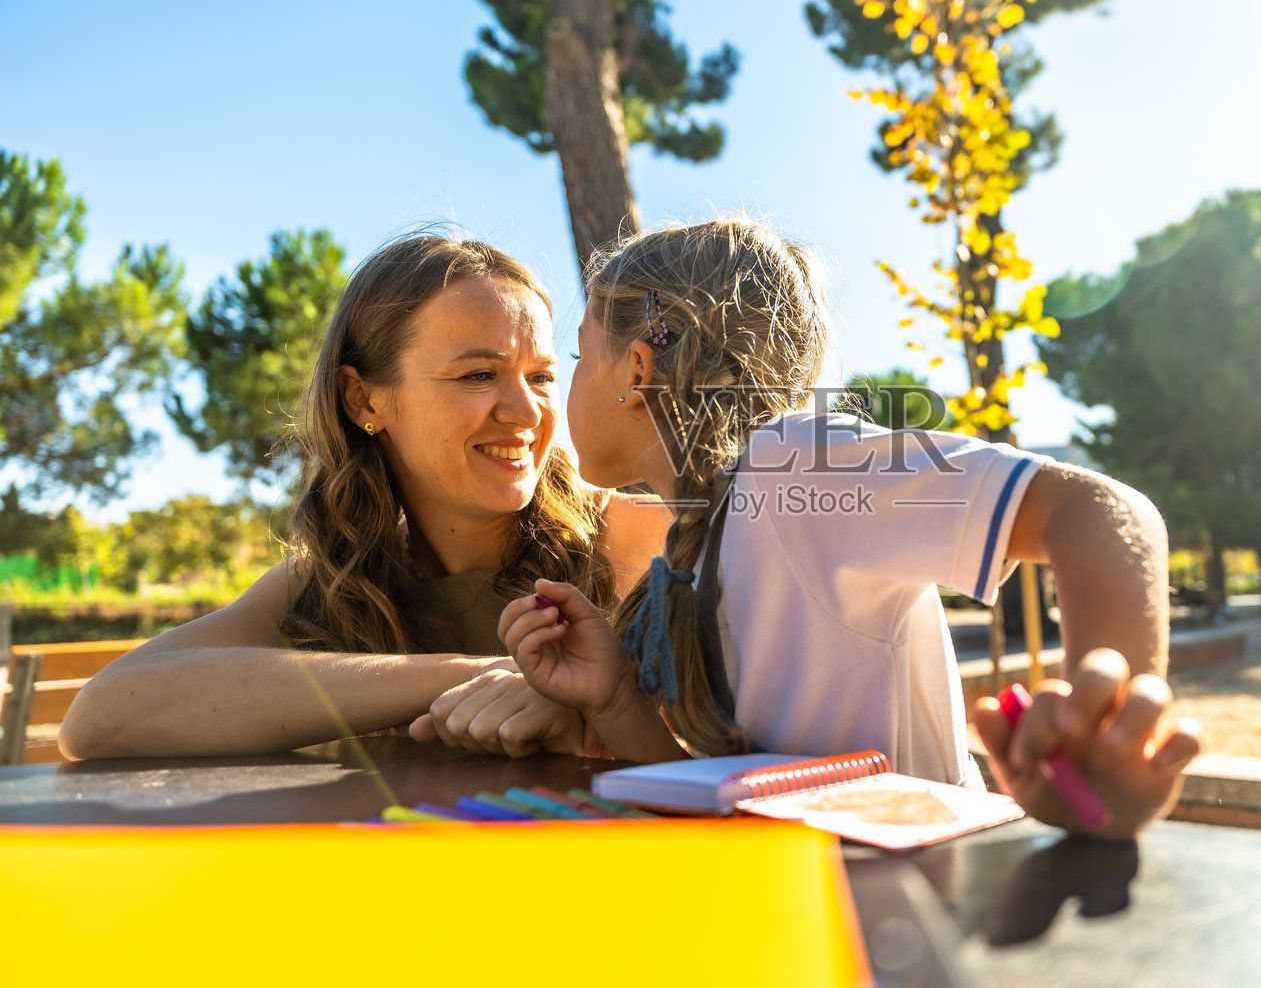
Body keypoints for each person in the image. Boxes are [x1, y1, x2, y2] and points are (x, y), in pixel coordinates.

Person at [439, 217, 1201, 838]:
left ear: (636, 370)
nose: (554, 392)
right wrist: (611, 698)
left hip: (920, 913)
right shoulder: (695, 542)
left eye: (574, 357)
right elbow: (737, 788)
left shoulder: (792, 464)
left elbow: (1100, 510)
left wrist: (1111, 725)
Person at [59, 235, 671, 760]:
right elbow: (101, 717)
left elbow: (738, 773)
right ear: (364, 400)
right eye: (477, 375)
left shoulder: (644, 543)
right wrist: (469, 678)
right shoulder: (333, 579)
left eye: (539, 376)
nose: (527, 411)